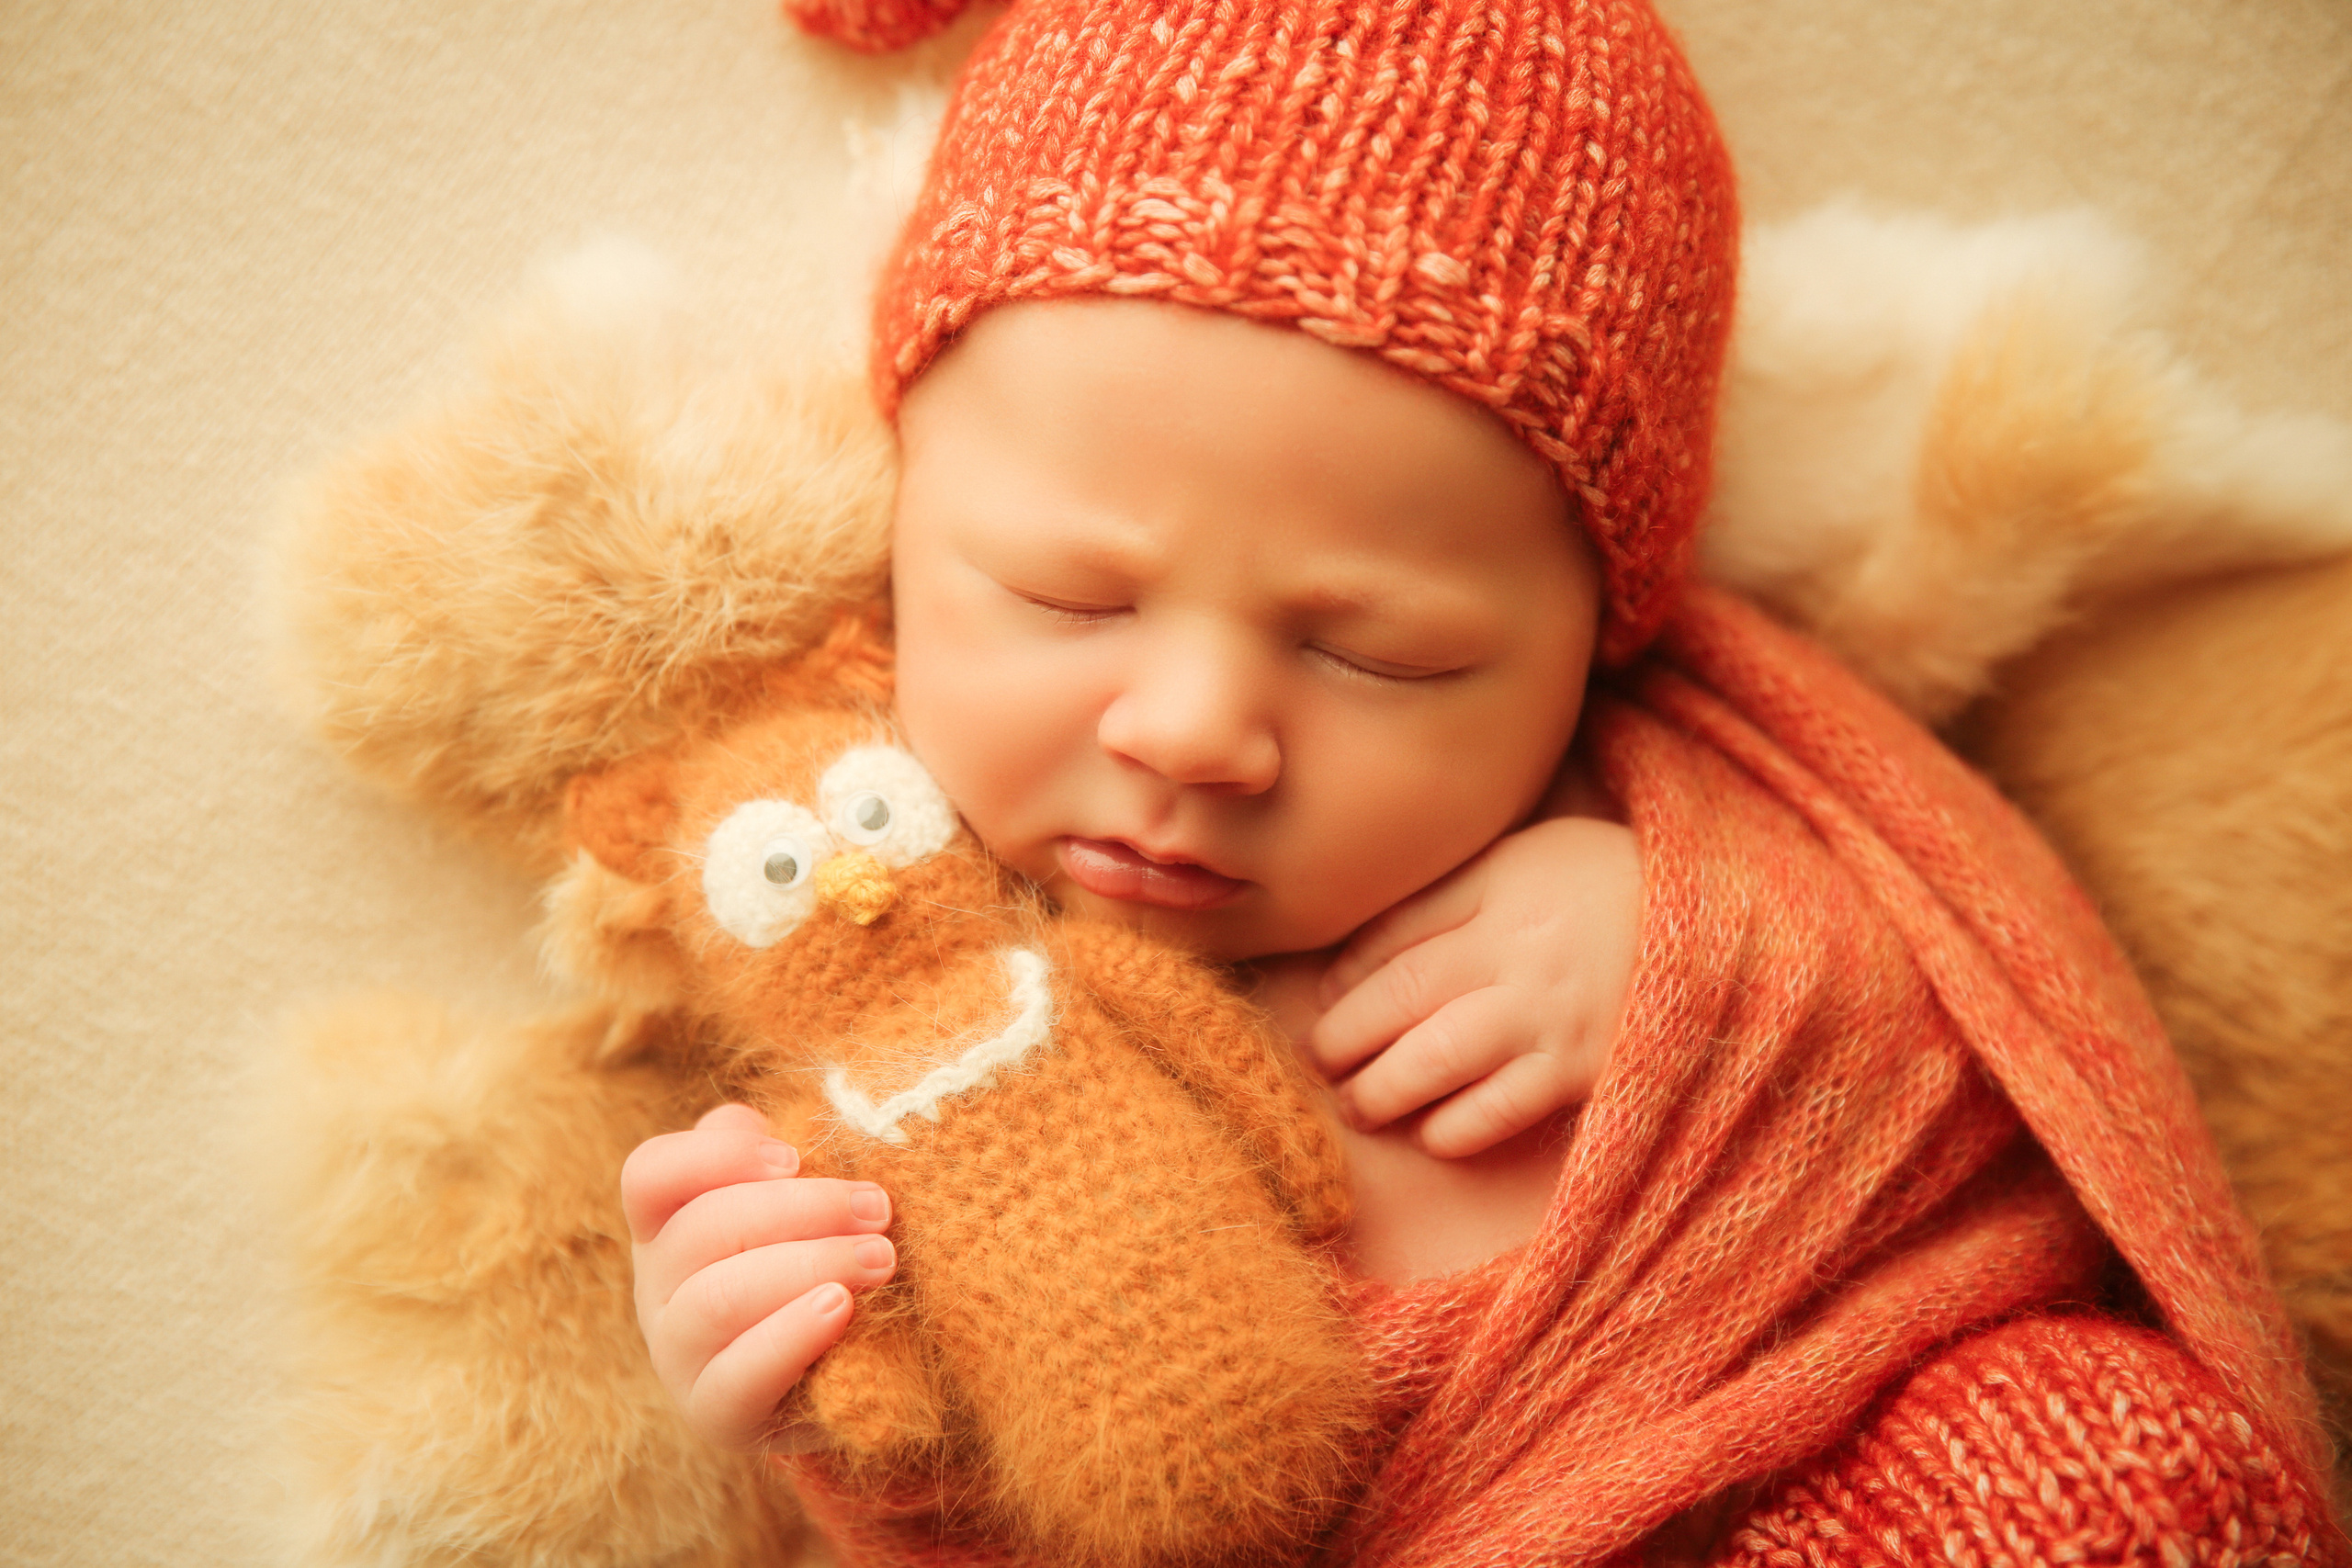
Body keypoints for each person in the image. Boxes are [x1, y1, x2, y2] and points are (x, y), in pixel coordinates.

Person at [622, 0, 2345, 1562]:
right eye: (1070, 597)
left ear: (1598, 635)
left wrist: (1698, 950)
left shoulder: (1668, 818)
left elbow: (1989, 1042)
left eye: (1381, 656)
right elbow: (1022, 1511)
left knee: (2085, 1460)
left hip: (1836, 1460)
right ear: (903, 525)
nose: (1196, 729)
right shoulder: (863, 935)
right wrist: (796, 1363)